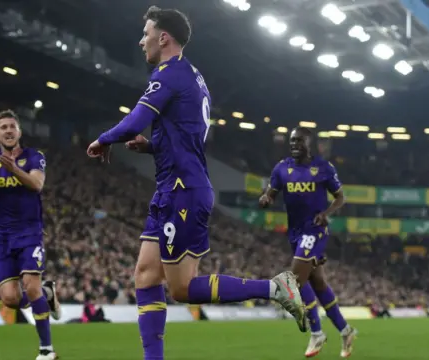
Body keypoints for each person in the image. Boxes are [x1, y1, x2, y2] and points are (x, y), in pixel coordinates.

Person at [86, 6, 306, 360]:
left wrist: (102, 139)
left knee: (183, 288)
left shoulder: (170, 74)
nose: (141, 40)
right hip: (170, 188)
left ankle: (274, 287)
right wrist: (151, 146)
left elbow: (136, 119)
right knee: (144, 275)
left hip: (183, 191)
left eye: (146, 33)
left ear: (164, 38)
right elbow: (184, 136)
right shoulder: (192, 77)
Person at [259, 127, 358, 358]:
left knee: (295, 279)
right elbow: (271, 193)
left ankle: (316, 332)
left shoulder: (323, 168)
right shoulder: (281, 168)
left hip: (315, 229)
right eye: (292, 141)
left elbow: (340, 197)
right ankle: (346, 330)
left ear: (309, 143)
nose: (294, 144)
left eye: (299, 141)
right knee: (319, 284)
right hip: (294, 232)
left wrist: (326, 212)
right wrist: (266, 198)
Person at [0, 110, 61, 360]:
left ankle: (46, 350)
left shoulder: (35, 157)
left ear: (19, 131)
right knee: (11, 299)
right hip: (2, 238)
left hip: (29, 234)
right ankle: (47, 294)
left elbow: (37, 185)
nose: (9, 130)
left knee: (30, 287)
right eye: (3, 127)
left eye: (13, 126)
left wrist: (13, 169)